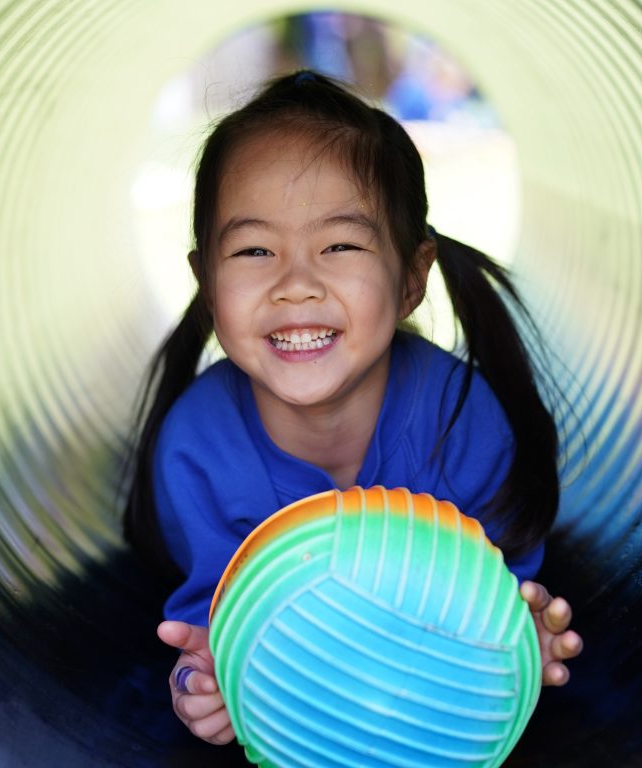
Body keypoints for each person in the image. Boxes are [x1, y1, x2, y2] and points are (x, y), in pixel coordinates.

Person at [123, 70, 583, 746]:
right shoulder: (200, 449)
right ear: (205, 280)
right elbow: (216, 637)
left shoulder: (463, 423)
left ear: (412, 278)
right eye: (254, 250)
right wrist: (205, 683)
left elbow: (492, 619)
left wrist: (522, 644)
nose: (296, 285)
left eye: (339, 245)